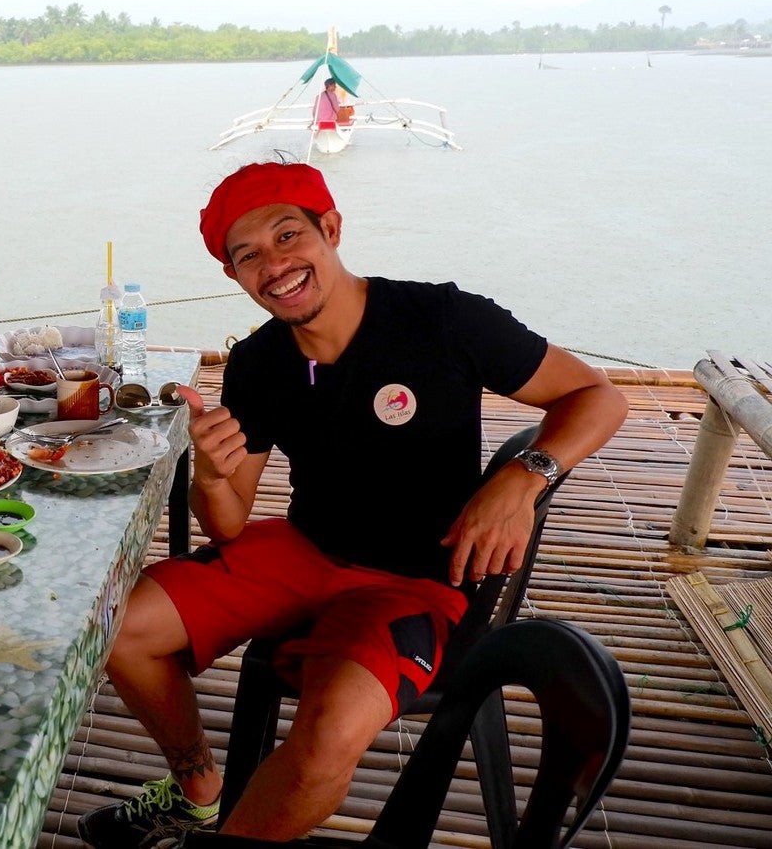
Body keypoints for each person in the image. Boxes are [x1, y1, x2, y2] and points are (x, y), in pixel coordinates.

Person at [80, 161, 628, 846]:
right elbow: (227, 520)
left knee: (330, 730)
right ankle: (198, 788)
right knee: (115, 625)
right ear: (234, 276)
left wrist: (524, 477)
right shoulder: (258, 363)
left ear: (330, 228)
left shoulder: (442, 319)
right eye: (247, 255)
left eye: (288, 236)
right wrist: (216, 475)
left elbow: (598, 395)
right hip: (305, 549)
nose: (274, 266)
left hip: (419, 578)